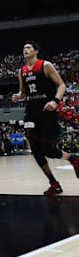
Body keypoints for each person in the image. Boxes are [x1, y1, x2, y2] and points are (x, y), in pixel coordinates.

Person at [12, 41, 79, 195]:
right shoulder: (21, 71)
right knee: (34, 147)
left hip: (47, 109)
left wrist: (55, 101)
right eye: (23, 48)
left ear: (36, 51)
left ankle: (72, 158)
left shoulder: (45, 65)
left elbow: (61, 85)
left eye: (28, 47)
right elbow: (23, 93)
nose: (25, 50)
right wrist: (19, 97)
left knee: (47, 149)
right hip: (31, 111)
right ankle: (53, 183)